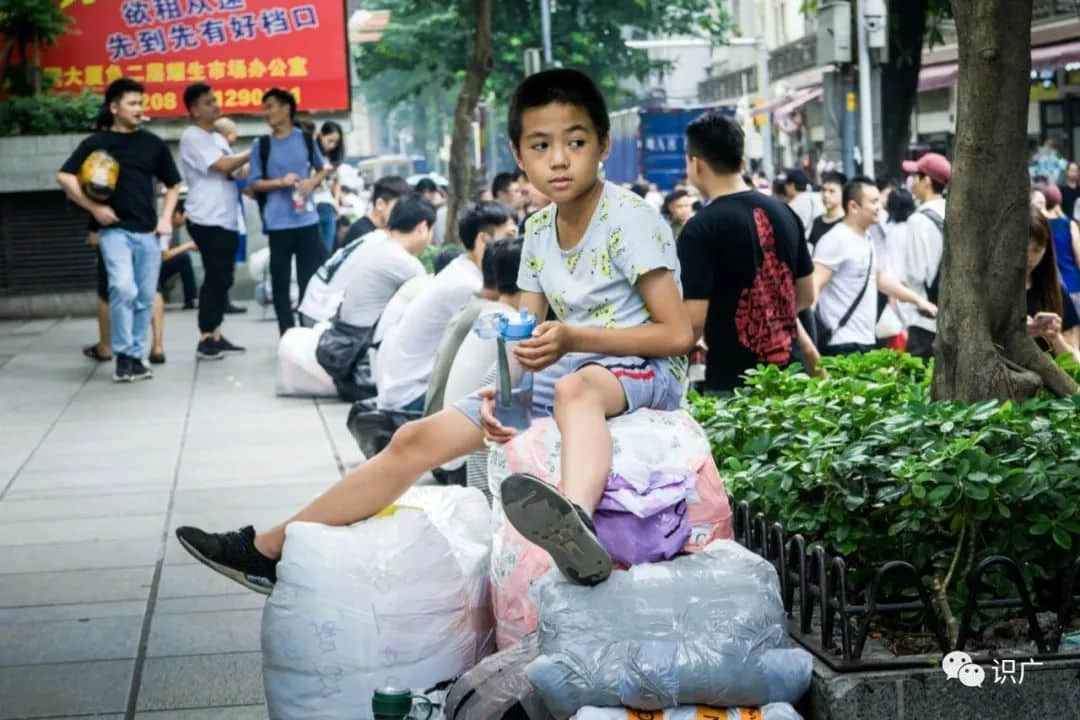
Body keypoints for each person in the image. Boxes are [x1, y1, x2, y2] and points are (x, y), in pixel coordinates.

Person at [175, 68, 693, 591]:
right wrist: (502, 392)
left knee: (578, 389)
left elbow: (676, 336)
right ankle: (268, 551)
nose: (559, 159)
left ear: (603, 143)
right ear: (519, 155)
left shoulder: (630, 218)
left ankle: (573, 525)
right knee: (412, 438)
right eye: (541, 145)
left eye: (576, 142)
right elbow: (526, 334)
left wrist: (576, 340)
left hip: (640, 370)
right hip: (566, 370)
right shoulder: (536, 230)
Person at [678, 112, 818, 392]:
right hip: (792, 382)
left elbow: (693, 323)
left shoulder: (699, 229)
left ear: (695, 164)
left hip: (734, 387)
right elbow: (807, 296)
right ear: (741, 161)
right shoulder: (785, 212)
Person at [58, 78, 181, 382]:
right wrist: (95, 208)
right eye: (132, 103)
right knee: (122, 288)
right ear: (114, 107)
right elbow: (65, 177)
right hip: (115, 232)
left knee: (143, 296)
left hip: (148, 232)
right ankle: (123, 352)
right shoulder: (97, 143)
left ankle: (133, 358)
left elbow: (174, 184)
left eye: (141, 103)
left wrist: (166, 218)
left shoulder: (152, 143)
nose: (139, 109)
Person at [375, 201, 517, 412]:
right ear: (483, 241)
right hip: (412, 395)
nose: (516, 245)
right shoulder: (469, 285)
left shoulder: (462, 269)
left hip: (399, 387)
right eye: (509, 237)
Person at [813, 177, 937, 356]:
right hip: (840, 343)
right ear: (853, 206)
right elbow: (814, 288)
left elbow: (878, 278)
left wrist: (919, 301)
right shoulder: (835, 240)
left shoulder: (866, 238)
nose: (880, 206)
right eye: (873, 202)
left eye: (879, 200)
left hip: (864, 340)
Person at [248, 88, 331, 335]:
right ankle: (287, 332)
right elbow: (254, 183)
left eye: (270, 106)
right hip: (278, 223)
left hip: (307, 219)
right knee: (280, 281)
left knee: (309, 278)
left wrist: (311, 182)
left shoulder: (305, 139)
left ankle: (307, 329)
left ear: (287, 108)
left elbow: (322, 169)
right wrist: (280, 182)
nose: (266, 113)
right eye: (265, 108)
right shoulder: (260, 145)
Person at [180, 83, 250, 361]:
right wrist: (251, 152)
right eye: (208, 102)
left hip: (226, 218)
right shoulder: (192, 136)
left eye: (215, 100)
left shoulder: (218, 139)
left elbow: (237, 171)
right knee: (215, 276)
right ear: (194, 110)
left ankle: (216, 335)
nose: (216, 106)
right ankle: (205, 338)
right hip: (206, 217)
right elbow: (222, 166)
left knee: (223, 277)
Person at [298, 194, 434, 327]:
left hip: (312, 306)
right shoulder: (403, 261)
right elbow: (428, 303)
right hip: (328, 321)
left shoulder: (375, 237)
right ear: (422, 228)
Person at [899, 152, 950, 359]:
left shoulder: (918, 220)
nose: (911, 182)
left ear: (927, 180)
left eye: (915, 177)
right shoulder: (953, 211)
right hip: (953, 318)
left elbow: (916, 275)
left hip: (924, 321)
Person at [1027, 207, 1080, 363]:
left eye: (1036, 250)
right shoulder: (991, 293)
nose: (1029, 258)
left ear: (1046, 250)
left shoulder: (1055, 292)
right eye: (1023, 249)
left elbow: (1075, 361)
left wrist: (1055, 337)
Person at [212, 116, 251, 315]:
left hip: (234, 211)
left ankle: (224, 299)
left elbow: (243, 178)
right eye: (234, 131)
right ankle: (220, 301)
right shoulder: (218, 155)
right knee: (222, 261)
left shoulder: (232, 154)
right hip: (220, 215)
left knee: (231, 260)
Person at [1036, 184, 1080, 317]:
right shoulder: (1068, 224)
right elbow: (1079, 256)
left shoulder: (1040, 226)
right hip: (1072, 283)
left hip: (1050, 286)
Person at [341, 175, 412, 248]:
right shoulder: (365, 235)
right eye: (398, 207)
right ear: (380, 204)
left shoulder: (374, 230)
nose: (403, 213)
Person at [313, 121, 345, 253]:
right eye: (329, 140)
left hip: (328, 206)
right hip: (312, 207)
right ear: (321, 135)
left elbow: (337, 181)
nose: (332, 146)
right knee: (316, 252)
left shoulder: (330, 158)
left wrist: (336, 201)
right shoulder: (311, 154)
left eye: (335, 143)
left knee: (327, 251)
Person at [807, 171, 846, 249]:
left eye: (832, 191)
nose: (826, 195)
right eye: (823, 190)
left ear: (844, 193)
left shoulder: (848, 222)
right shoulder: (817, 221)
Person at [784, 168, 823, 237]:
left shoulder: (791, 206)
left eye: (786, 185)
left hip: (805, 244)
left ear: (792, 186)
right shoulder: (820, 197)